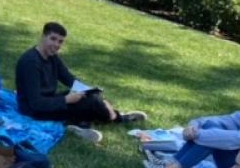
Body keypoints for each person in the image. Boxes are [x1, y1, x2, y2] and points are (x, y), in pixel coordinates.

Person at [15, 22, 147, 144]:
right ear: (43, 36)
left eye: (60, 41)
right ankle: (118, 118)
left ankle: (80, 124)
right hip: (33, 109)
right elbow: (36, 103)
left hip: (48, 100)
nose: (56, 45)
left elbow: (69, 79)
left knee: (89, 99)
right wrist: (67, 99)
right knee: (87, 103)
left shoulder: (52, 57)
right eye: (53, 39)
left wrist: (90, 92)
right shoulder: (31, 63)